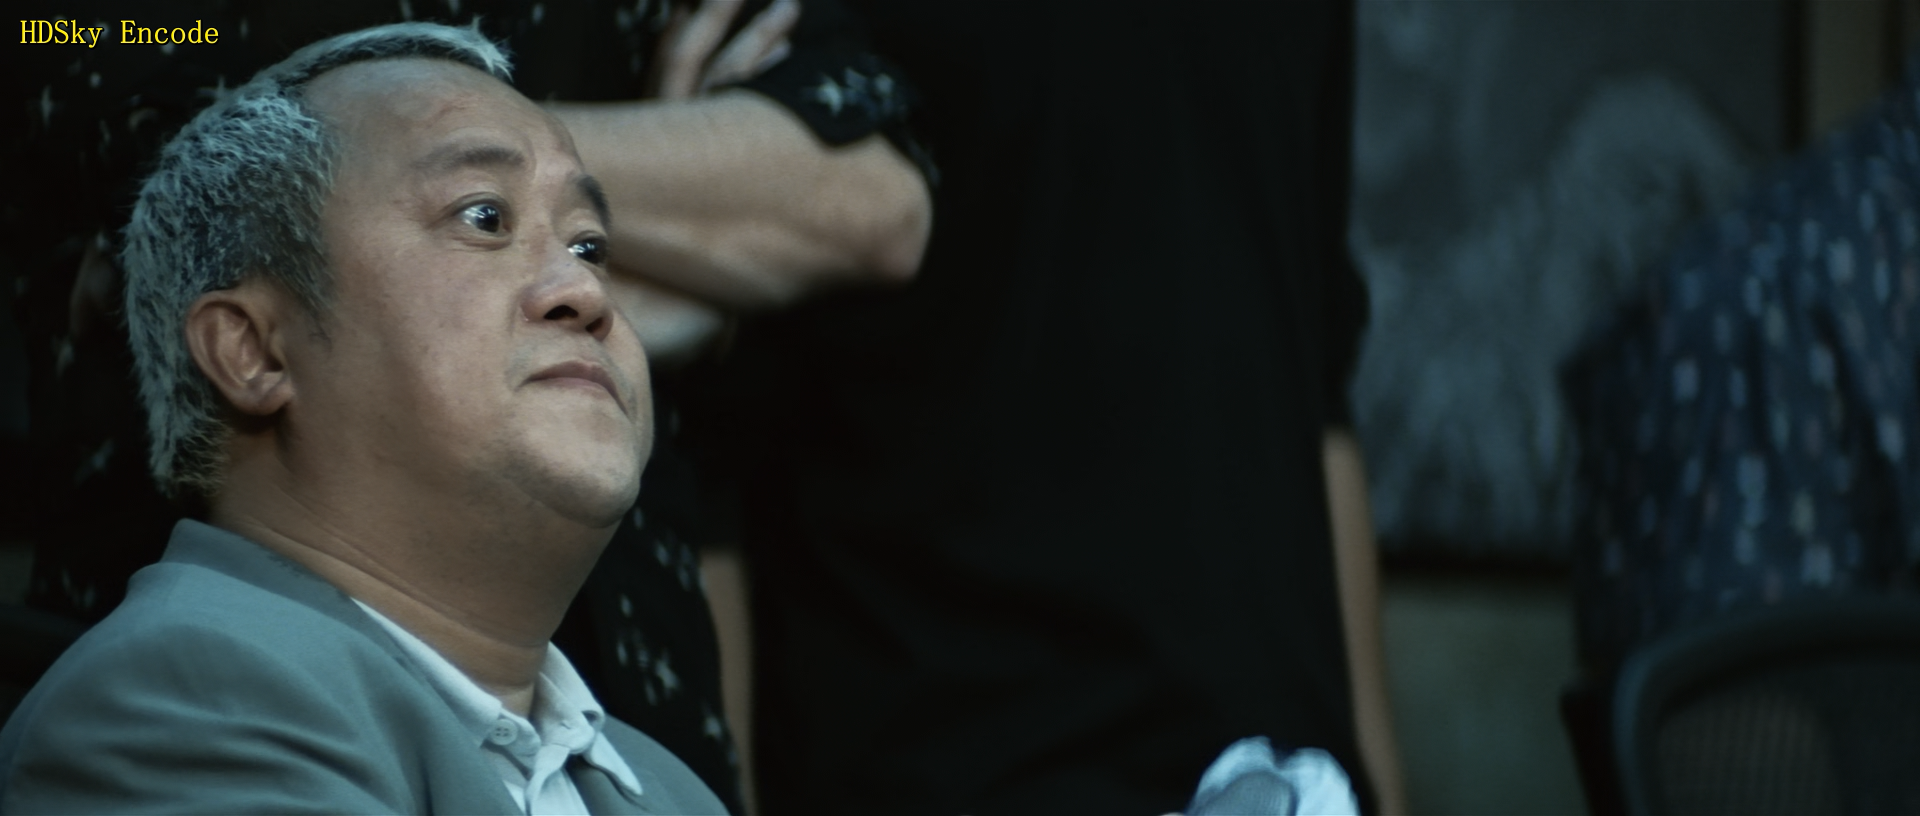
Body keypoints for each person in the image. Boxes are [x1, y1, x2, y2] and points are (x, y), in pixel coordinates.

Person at [684, 1, 1405, 813]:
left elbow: (1315, 380)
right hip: (951, 762)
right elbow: (708, 448)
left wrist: (1371, 787)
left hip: (1283, 773)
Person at [0, 23, 725, 813]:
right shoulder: (176, 699)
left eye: (588, 247)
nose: (583, 294)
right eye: (484, 216)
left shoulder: (671, 790)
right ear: (254, 351)